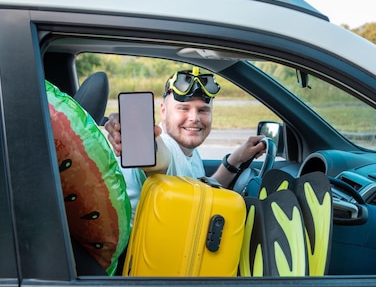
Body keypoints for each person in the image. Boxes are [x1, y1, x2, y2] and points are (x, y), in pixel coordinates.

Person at [104, 67, 266, 220]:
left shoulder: (189, 151)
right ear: (163, 111)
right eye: (183, 108)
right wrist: (133, 131)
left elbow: (203, 189)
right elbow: (157, 158)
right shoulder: (167, 147)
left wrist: (236, 158)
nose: (194, 118)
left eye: (203, 110)